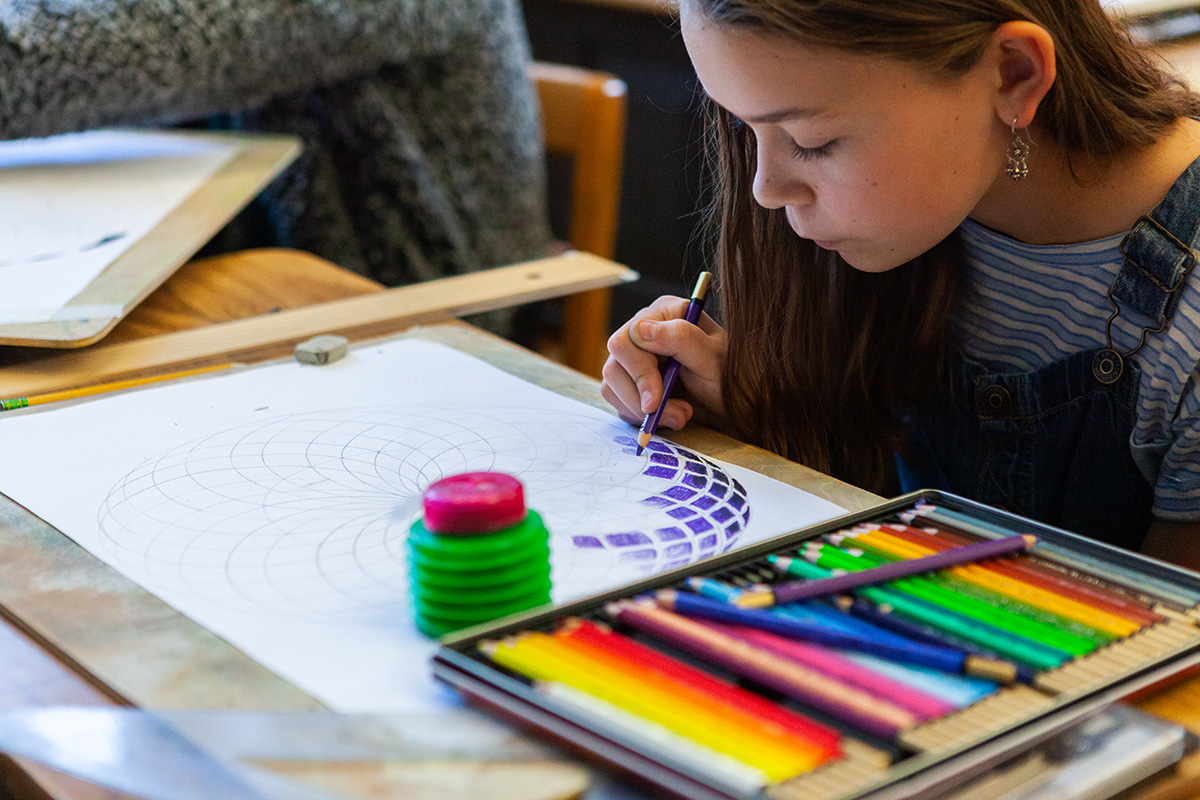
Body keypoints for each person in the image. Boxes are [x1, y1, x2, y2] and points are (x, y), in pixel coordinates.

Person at [601, 0, 1200, 569]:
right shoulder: (907, 211)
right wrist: (739, 411)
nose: (765, 189)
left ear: (1013, 75)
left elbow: (1171, 658)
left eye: (814, 142)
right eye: (742, 127)